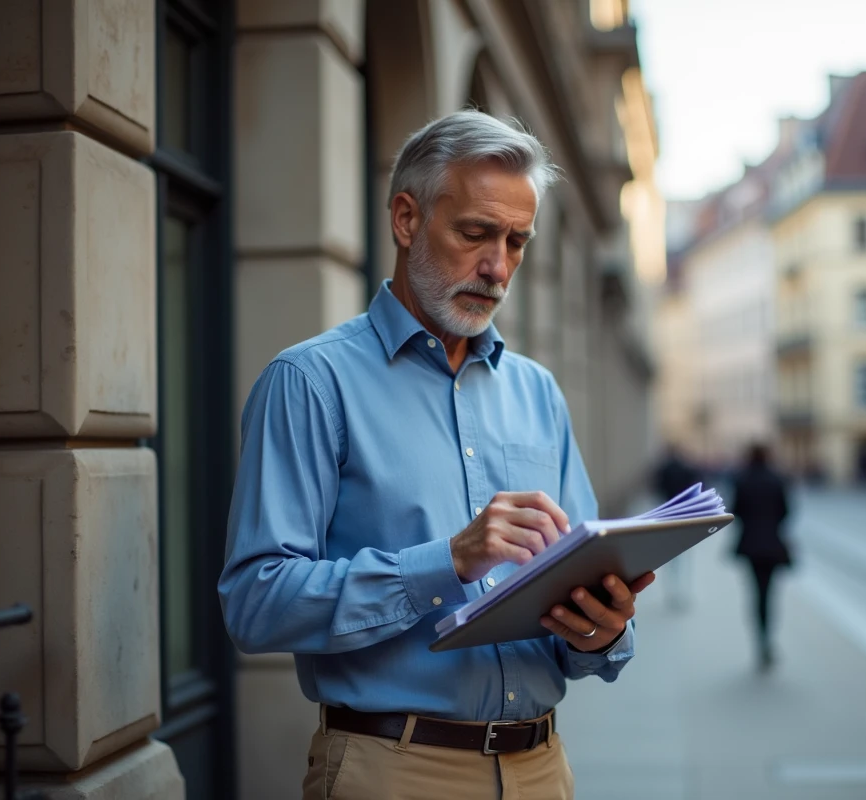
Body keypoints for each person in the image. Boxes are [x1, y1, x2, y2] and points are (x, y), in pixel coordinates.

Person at [218, 111, 654, 800]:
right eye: (476, 234)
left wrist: (601, 631)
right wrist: (448, 561)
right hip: (392, 770)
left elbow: (582, 613)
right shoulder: (309, 383)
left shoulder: (538, 392)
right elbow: (254, 602)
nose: (498, 267)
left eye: (517, 242)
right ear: (405, 219)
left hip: (543, 769)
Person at [732, 443, 792, 670]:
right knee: (770, 595)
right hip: (773, 545)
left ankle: (760, 641)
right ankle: (768, 640)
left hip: (750, 545)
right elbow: (786, 511)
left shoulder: (742, 479)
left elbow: (735, 510)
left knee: (756, 594)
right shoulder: (777, 479)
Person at [653, 445, 703, 611]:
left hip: (668, 513)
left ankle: (672, 592)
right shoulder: (686, 469)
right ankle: (683, 590)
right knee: (684, 554)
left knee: (670, 555)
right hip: (684, 514)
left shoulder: (664, 469)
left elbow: (656, 487)